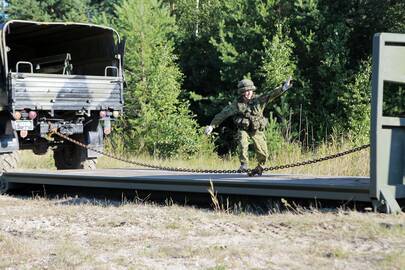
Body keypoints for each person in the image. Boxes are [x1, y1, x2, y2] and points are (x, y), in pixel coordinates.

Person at [205, 77, 293, 176]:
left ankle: (260, 166)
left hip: (256, 129)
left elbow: (271, 94)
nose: (248, 93)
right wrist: (212, 126)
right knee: (243, 141)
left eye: (250, 90)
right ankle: (244, 165)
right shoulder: (237, 104)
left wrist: (284, 87)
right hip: (244, 128)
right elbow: (223, 114)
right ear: (242, 92)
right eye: (246, 91)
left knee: (262, 150)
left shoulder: (259, 100)